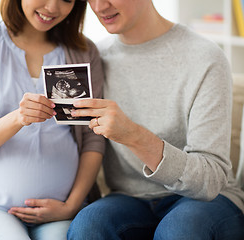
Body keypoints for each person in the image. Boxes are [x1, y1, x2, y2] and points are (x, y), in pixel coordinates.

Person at [67, 0, 244, 239]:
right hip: (130, 199)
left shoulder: (205, 57)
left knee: (179, 230)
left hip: (207, 199)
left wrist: (133, 136)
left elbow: (210, 182)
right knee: (88, 225)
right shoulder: (95, 59)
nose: (99, 6)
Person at [0, 0, 105, 239]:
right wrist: (17, 118)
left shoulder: (84, 51)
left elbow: (93, 138)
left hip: (61, 210)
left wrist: (71, 206)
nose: (53, 7)